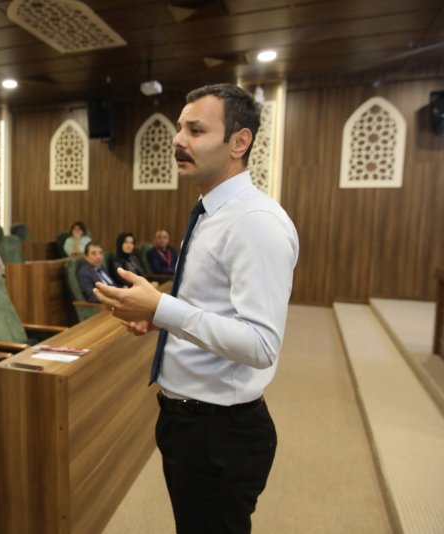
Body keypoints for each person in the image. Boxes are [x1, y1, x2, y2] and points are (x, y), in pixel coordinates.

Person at [93, 83, 299, 534]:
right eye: (179, 128)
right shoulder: (211, 212)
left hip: (219, 431)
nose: (177, 140)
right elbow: (214, 308)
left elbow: (261, 345)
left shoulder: (254, 222)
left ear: (239, 142)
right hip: (188, 420)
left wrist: (165, 309)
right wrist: (157, 318)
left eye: (196, 130)